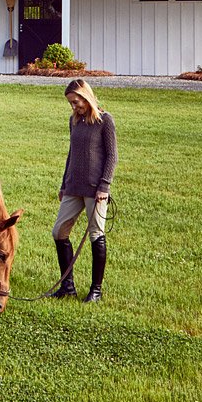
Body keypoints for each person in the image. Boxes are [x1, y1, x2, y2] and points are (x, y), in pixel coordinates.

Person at [49, 79, 117, 302]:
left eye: (76, 102)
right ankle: (67, 286)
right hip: (73, 187)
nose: (74, 107)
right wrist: (63, 184)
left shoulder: (105, 121)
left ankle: (95, 291)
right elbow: (72, 155)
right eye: (71, 103)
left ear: (86, 97)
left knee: (96, 234)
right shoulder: (74, 121)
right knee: (59, 232)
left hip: (95, 190)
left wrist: (104, 186)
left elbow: (112, 156)